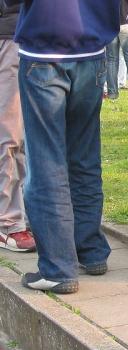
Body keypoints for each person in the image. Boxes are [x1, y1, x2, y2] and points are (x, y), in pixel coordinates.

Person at [8, 0, 120, 293]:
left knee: (46, 164)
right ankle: (91, 251)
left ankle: (58, 268)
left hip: (44, 49)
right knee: (84, 159)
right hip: (92, 48)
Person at [0, 0, 36, 253]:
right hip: (11, 33)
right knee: (11, 135)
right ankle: (9, 223)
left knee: (15, 135)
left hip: (18, 31)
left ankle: (14, 216)